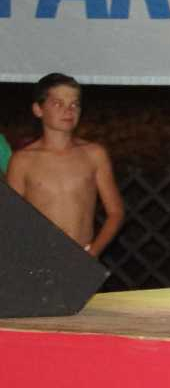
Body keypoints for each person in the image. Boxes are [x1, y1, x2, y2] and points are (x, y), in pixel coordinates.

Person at [6, 73, 125, 257]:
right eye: (58, 103)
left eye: (74, 104)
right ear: (38, 109)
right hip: (38, 257)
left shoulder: (94, 154)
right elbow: (11, 218)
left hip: (83, 254)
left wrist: (93, 252)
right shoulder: (22, 160)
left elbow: (116, 212)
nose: (68, 110)